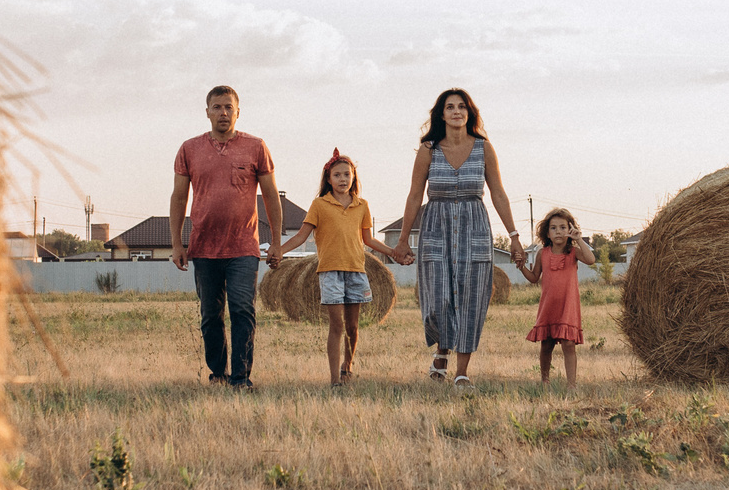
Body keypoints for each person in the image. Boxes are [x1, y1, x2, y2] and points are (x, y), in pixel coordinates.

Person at [392, 87, 520, 389]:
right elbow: (414, 196)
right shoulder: (428, 149)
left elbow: (498, 194)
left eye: (462, 106)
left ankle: (462, 371)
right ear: (441, 114)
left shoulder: (484, 148)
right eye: (450, 107)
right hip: (435, 226)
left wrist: (514, 236)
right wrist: (403, 239)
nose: (456, 111)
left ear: (469, 112)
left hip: (475, 227)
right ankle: (442, 349)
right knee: (437, 298)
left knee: (471, 299)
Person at [169, 85, 282, 388]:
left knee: (243, 310)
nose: (223, 112)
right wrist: (177, 243)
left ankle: (241, 378)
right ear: (207, 112)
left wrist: (277, 243)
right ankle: (218, 373)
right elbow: (179, 197)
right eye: (217, 107)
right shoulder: (189, 149)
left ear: (238, 112)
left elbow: (271, 195)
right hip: (204, 248)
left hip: (244, 247)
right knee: (210, 315)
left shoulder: (256, 147)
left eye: (228, 107)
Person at [274, 149, 400, 385]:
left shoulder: (362, 205)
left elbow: (369, 240)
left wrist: (393, 252)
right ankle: (334, 380)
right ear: (328, 179)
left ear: (353, 177)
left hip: (356, 271)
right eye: (337, 175)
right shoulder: (319, 204)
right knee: (337, 325)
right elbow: (301, 236)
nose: (343, 179)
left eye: (347, 174)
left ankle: (347, 366)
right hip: (330, 272)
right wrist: (280, 250)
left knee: (352, 327)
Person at [512, 206, 594, 387]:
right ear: (547, 233)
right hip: (549, 306)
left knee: (568, 344)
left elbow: (591, 260)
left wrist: (579, 239)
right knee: (546, 344)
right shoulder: (543, 253)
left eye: (563, 227)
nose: (558, 231)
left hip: (568, 306)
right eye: (554, 228)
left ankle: (571, 385)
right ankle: (545, 381)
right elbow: (534, 278)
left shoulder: (574, 252)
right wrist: (522, 266)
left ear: (570, 230)